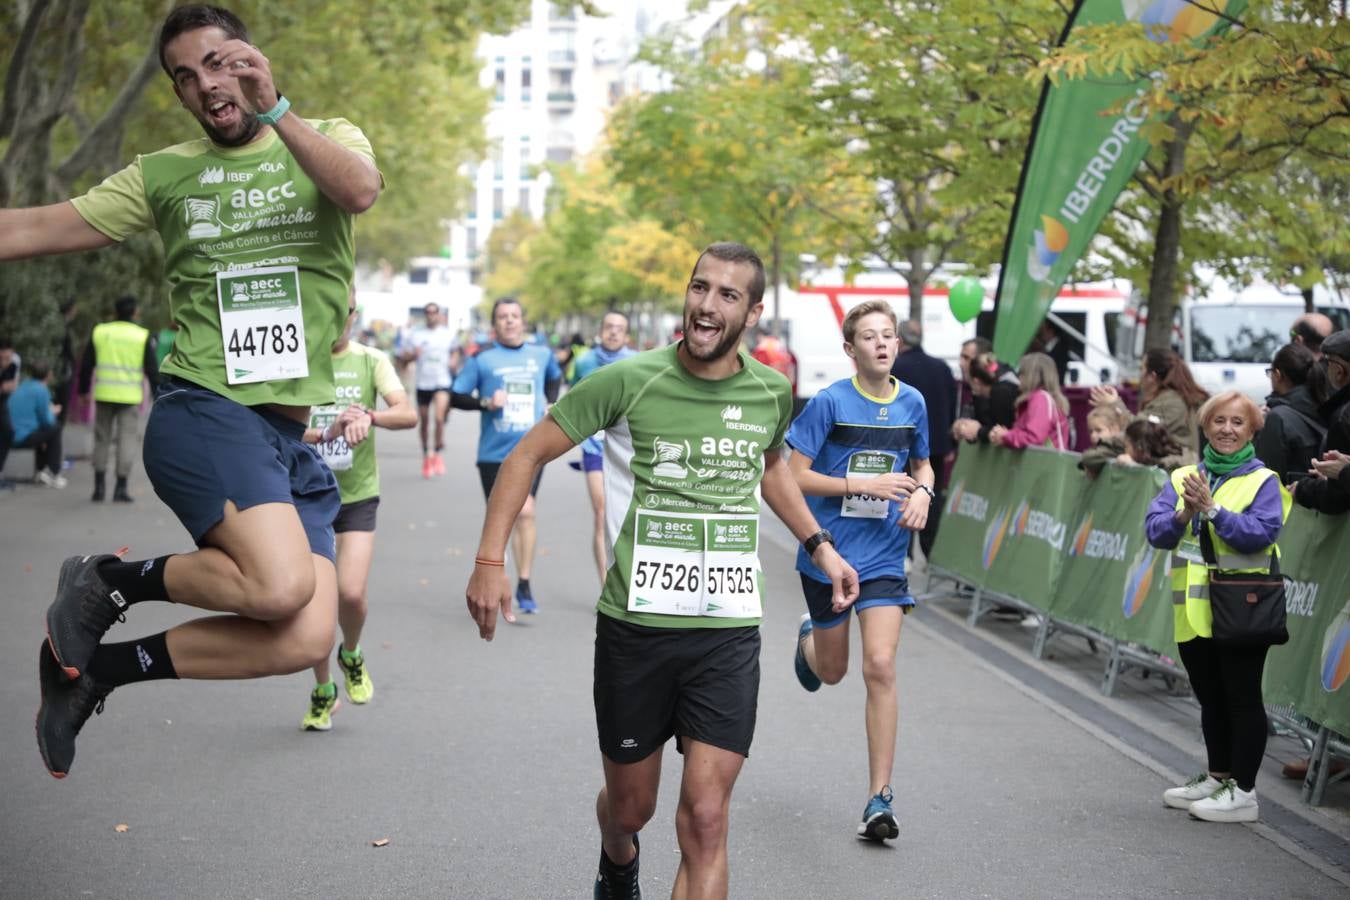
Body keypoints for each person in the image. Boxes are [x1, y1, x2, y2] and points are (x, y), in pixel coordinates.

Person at [6, 4, 382, 778]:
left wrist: (278, 111)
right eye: (185, 76)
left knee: (306, 637)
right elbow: (32, 229)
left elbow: (361, 192)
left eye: (218, 62)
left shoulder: (330, 139)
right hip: (206, 409)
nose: (205, 84)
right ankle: (110, 582)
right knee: (278, 587)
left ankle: (96, 675)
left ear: (252, 60)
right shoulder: (165, 174)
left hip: (288, 439)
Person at [464, 242, 859, 900]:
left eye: (727, 295)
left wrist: (820, 545)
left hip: (727, 632)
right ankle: (617, 855)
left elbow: (769, 471)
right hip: (637, 630)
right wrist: (488, 561)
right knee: (632, 810)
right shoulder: (630, 379)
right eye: (700, 288)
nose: (706, 305)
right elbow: (526, 453)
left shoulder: (770, 391)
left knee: (706, 820)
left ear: (753, 312)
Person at [789, 301, 934, 842]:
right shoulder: (829, 403)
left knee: (881, 665)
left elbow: (922, 461)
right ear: (850, 350)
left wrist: (923, 490)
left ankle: (879, 797)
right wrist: (861, 485)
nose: (881, 343)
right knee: (833, 672)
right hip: (828, 555)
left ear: (897, 345)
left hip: (882, 557)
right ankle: (809, 641)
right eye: (869, 337)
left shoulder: (913, 401)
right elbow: (792, 478)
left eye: (888, 336)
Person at [1145, 391, 1290, 823]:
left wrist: (1211, 510)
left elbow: (1259, 534)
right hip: (1194, 613)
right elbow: (1155, 531)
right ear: (1205, 427)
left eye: (1237, 422)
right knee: (1211, 698)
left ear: (1252, 430)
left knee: (1242, 699)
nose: (1227, 429)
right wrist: (1182, 514)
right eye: (1219, 421)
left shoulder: (1266, 481)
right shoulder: (1183, 476)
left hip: (1243, 609)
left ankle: (1243, 793)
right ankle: (1218, 776)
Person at [298, 289, 415, 730]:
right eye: (324, 309)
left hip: (358, 495)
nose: (334, 320)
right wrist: (326, 433)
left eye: (341, 311)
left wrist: (370, 416)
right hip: (307, 495)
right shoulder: (300, 359)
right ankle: (324, 690)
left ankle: (351, 653)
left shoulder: (370, 359)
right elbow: (274, 427)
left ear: (353, 313)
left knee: (349, 594)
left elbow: (407, 414)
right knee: (315, 604)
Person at [451, 298, 562, 614]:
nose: (510, 321)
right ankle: (493, 579)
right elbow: (456, 395)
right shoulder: (482, 359)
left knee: (525, 511)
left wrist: (549, 401)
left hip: (533, 449)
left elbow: (554, 377)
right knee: (502, 519)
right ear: (494, 324)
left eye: (514, 316)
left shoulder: (541, 355)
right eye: (503, 317)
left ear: (523, 321)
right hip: (493, 454)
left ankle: (524, 583)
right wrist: (486, 403)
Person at [570, 310, 637, 586]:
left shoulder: (637, 363)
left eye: (618, 328)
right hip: (594, 445)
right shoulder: (585, 361)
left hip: (628, 449)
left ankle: (629, 577)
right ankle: (606, 586)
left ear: (626, 334)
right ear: (600, 330)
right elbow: (575, 400)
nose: (613, 332)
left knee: (627, 515)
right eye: (608, 327)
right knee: (602, 511)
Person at [79, 295, 158, 502]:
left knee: (102, 439)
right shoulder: (141, 335)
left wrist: (83, 391)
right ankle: (121, 488)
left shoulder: (100, 332)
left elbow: (87, 365)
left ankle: (98, 488)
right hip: (129, 397)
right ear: (134, 313)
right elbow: (151, 369)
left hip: (104, 394)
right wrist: (158, 395)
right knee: (127, 441)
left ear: (115, 312)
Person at [890, 319, 954, 560]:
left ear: (901, 340)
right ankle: (932, 551)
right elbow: (951, 403)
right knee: (931, 494)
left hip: (903, 442)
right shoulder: (942, 367)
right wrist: (950, 443)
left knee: (902, 494)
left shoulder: (897, 368)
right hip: (936, 443)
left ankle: (905, 553)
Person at [1092, 349, 1208, 458]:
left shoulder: (1172, 402)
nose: (1140, 374)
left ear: (1152, 376)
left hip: (1173, 472)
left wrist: (1114, 404)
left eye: (1141, 369)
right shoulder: (1169, 398)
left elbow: (1140, 430)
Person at [1291, 330, 1350, 515]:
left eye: (1327, 362)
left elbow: (1337, 499)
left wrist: (1302, 489)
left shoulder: (1343, 417)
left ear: (1339, 371)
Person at [1253, 343, 1325, 484]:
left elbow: (1264, 478)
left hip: (1288, 502)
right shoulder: (1327, 406)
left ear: (1278, 375)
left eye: (1270, 372)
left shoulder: (1277, 418)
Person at [400, 302, 455, 478]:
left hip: (442, 381)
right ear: (425, 315)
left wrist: (454, 361)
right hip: (423, 383)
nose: (431, 315)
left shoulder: (447, 334)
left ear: (439, 314)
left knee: (439, 418)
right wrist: (413, 355)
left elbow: (456, 352)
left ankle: (437, 452)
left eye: (434, 312)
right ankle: (426, 455)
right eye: (428, 312)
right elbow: (403, 360)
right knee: (424, 421)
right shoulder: (416, 335)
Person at [988, 352, 1070, 451]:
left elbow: (1034, 438)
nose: (1018, 377)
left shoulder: (1040, 399)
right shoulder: (1046, 399)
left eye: (1021, 372)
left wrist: (1006, 435)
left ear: (1030, 376)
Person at [8, 358, 66, 487]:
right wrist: (53, 412)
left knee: (43, 433)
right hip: (22, 436)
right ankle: (54, 472)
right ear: (49, 374)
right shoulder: (41, 390)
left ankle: (41, 470)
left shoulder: (23, 385)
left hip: (10, 434)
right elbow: (47, 421)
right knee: (55, 428)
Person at [951, 345, 1018, 445]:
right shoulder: (1003, 388)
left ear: (976, 381)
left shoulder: (1000, 394)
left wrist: (978, 431)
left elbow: (1004, 430)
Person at [1078, 404, 1129, 479]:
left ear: (1114, 429)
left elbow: (1088, 458)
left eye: (1099, 430)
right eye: (1090, 431)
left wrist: (1087, 464)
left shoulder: (1114, 446)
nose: (1093, 435)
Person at [1122, 419, 1189, 471]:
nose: (1125, 450)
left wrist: (1133, 466)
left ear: (1139, 447)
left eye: (1126, 446)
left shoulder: (1166, 471)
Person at [0, 336, 19, 492]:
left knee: (8, 432)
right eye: (2, 357)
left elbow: (10, 386)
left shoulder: (13, 363)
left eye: (8, 356)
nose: (5, 360)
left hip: (3, 403)